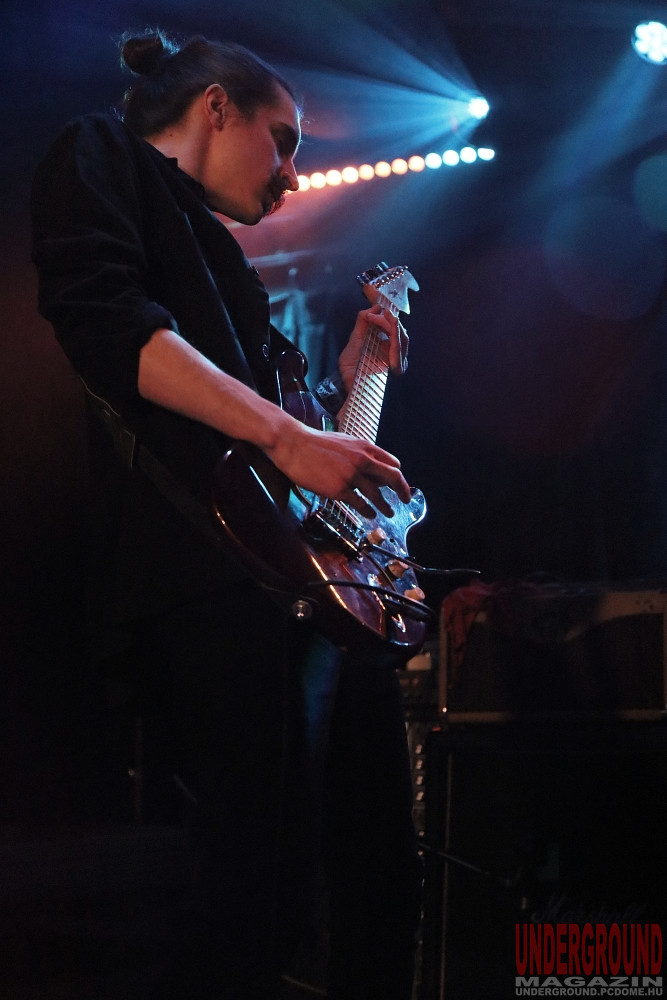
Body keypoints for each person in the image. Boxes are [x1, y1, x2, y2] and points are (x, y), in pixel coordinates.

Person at [31, 28, 423, 1000]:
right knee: (249, 887)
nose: (292, 174)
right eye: (282, 140)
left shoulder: (228, 265)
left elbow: (282, 455)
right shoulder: (99, 150)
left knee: (369, 862)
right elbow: (107, 323)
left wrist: (346, 392)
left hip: (289, 582)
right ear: (215, 106)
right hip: (208, 575)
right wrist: (289, 438)